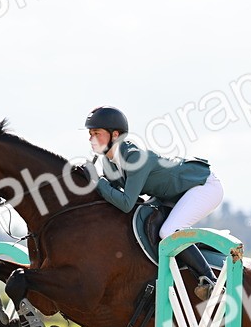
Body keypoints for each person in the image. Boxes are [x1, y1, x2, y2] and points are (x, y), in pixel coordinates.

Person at [84, 106, 223, 300]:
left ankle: (210, 281)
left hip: (203, 186)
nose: (91, 139)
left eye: (96, 133)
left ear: (115, 134)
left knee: (168, 231)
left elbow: (125, 203)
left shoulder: (134, 157)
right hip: (172, 194)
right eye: (90, 134)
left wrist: (97, 181)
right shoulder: (107, 162)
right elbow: (113, 196)